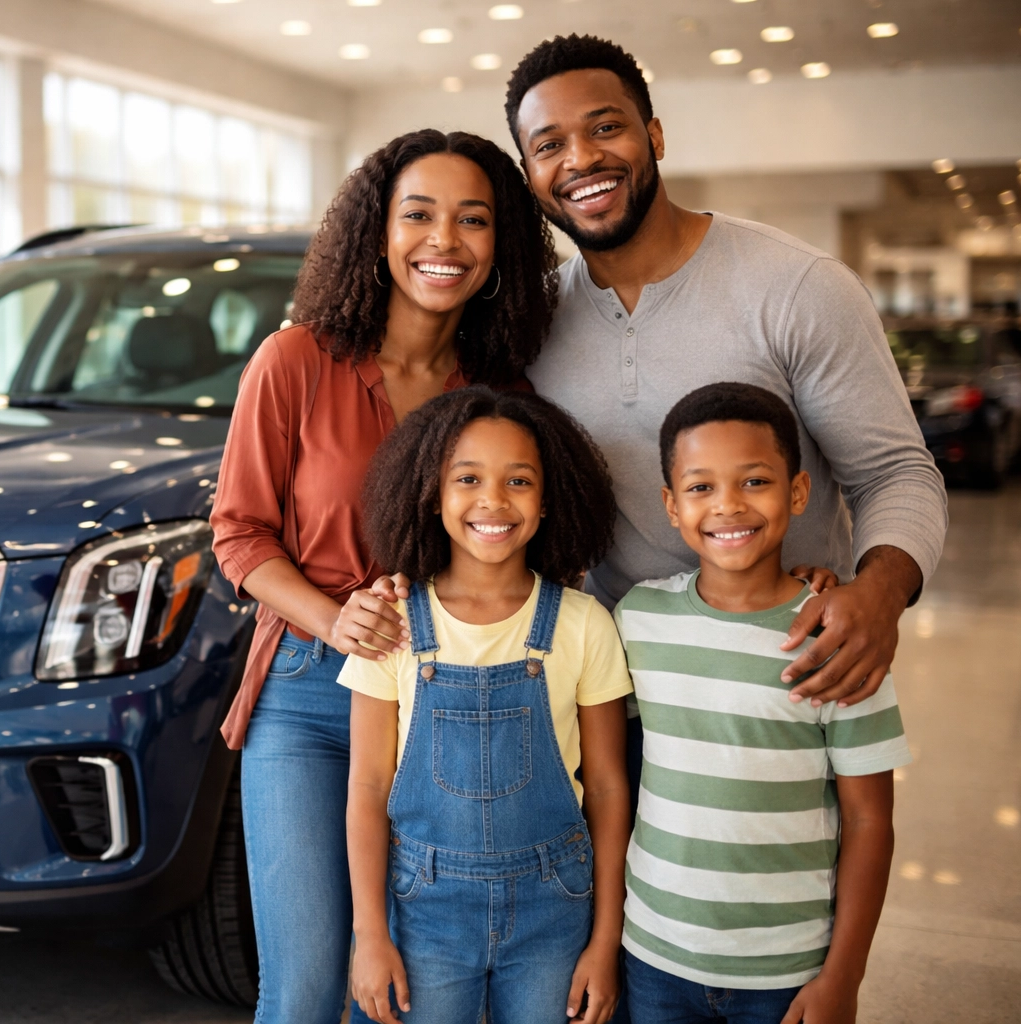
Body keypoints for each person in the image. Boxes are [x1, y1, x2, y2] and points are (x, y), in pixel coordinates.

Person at [209, 131, 558, 1023]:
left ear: (500, 245)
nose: (444, 240)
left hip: (450, 697)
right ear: (376, 231)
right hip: (311, 701)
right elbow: (240, 535)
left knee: (404, 989)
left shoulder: (500, 391)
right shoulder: (294, 363)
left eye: (472, 220)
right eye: (420, 215)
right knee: (307, 984)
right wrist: (335, 621)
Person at [501, 35, 946, 713]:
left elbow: (895, 473)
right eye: (549, 144)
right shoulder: (534, 321)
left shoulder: (798, 288)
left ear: (653, 135)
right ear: (529, 172)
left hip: (789, 680)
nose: (582, 158)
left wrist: (877, 594)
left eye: (606, 128)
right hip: (614, 694)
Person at [615, 382, 908, 1024]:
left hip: (789, 970)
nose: (727, 506)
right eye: (700, 488)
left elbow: (869, 822)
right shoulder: (639, 619)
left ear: (798, 492)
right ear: (670, 504)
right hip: (653, 954)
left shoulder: (836, 639)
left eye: (754, 482)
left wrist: (844, 977)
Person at [344, 386, 633, 1024]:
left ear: (550, 498)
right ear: (432, 494)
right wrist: (370, 935)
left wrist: (605, 941)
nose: (493, 500)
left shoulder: (584, 625)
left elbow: (610, 790)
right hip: (424, 910)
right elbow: (367, 786)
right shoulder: (390, 621)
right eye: (467, 477)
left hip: (555, 906)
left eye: (519, 480)